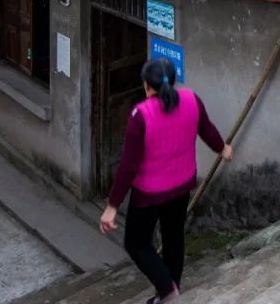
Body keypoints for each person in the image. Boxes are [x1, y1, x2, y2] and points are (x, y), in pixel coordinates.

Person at [99, 59, 233, 304]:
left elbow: (128, 166)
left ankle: (168, 291)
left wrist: (112, 206)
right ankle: (171, 289)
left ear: (146, 86)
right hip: (181, 186)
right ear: (173, 81)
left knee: (137, 244)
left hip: (148, 194)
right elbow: (207, 129)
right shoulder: (192, 100)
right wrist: (222, 148)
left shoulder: (140, 116)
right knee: (173, 237)